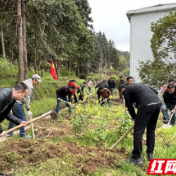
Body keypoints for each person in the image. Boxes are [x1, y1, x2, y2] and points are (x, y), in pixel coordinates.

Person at [119, 83, 161, 165]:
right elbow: (155, 91)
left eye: (122, 94)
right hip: (157, 103)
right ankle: (150, 154)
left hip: (146, 105)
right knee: (151, 129)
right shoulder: (138, 86)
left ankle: (136, 157)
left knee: (138, 131)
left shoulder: (126, 90)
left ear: (122, 90)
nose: (123, 96)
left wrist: (134, 118)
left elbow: (129, 106)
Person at [7, 74, 42, 138]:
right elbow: (26, 99)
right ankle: (22, 134)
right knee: (23, 118)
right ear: (34, 80)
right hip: (17, 102)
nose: (38, 83)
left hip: (13, 101)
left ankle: (9, 133)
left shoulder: (28, 82)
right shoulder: (29, 87)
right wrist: (28, 109)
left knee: (14, 117)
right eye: (38, 81)